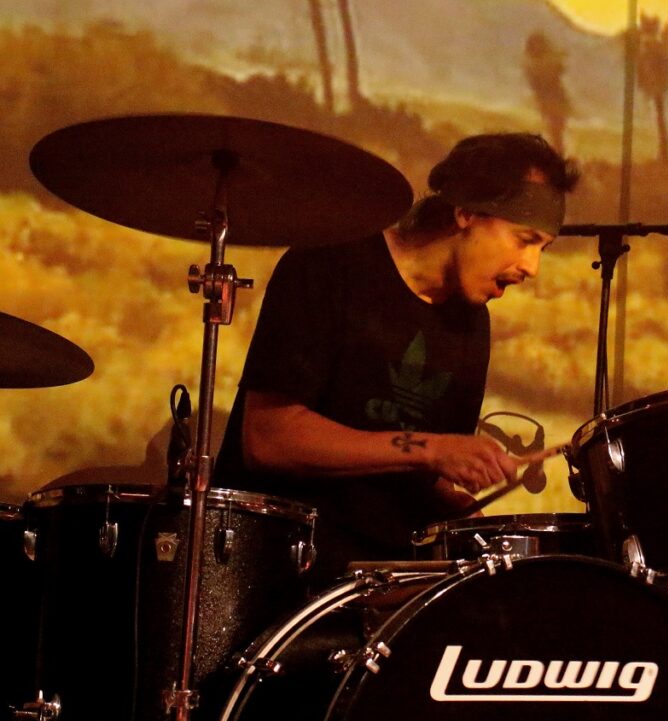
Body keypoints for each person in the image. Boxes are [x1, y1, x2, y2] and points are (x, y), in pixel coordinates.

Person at [215, 133, 579, 590]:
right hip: (277, 570)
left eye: (542, 249)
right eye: (525, 240)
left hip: (384, 579)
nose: (531, 267)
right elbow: (268, 438)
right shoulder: (329, 263)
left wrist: (465, 513)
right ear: (466, 212)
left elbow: (417, 471)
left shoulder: (470, 322)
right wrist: (432, 449)